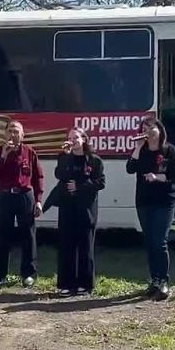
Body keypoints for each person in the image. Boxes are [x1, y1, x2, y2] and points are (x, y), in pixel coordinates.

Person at [125, 117, 175, 300]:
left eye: (151, 127)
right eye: (144, 128)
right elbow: (130, 169)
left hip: (164, 201)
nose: (147, 131)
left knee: (159, 241)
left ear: (159, 129)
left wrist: (158, 178)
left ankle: (164, 281)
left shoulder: (169, 150)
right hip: (144, 201)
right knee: (149, 242)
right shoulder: (141, 151)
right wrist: (137, 148)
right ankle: (154, 280)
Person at [0, 120, 44, 288]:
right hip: (5, 196)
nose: (13, 134)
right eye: (10, 131)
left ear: (22, 135)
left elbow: (38, 177)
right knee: (3, 235)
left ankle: (29, 274)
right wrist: (3, 156)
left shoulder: (29, 152)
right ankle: (0, 274)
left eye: (16, 131)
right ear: (5, 134)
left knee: (28, 235)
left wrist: (38, 200)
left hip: (25, 197)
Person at [53, 127, 105, 296]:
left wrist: (80, 186)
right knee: (66, 245)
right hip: (67, 208)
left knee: (85, 246)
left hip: (86, 209)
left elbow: (100, 182)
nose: (72, 140)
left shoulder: (94, 160)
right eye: (70, 137)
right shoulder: (64, 157)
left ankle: (85, 284)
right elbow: (59, 175)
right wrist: (65, 157)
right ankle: (66, 284)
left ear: (84, 139)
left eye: (75, 137)